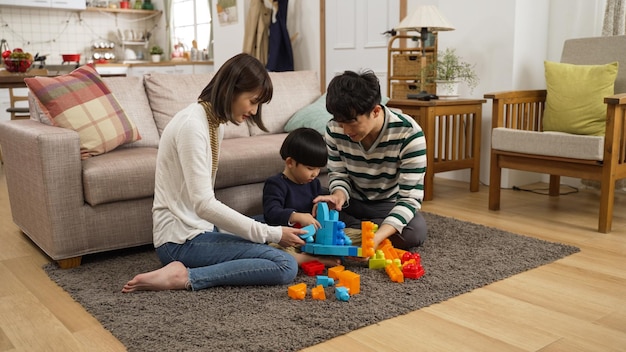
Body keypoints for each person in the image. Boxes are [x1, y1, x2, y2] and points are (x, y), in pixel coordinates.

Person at [122, 53, 307, 293]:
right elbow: (204, 205)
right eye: (252, 101)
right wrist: (272, 235)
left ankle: (278, 240)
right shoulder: (192, 126)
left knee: (273, 222)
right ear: (231, 89)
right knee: (285, 265)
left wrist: (288, 220)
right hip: (180, 242)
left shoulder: (213, 122)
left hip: (202, 229)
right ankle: (186, 276)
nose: (254, 110)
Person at [313, 69, 428, 252]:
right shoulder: (334, 129)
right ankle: (362, 229)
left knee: (415, 232)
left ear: (375, 111)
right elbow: (339, 174)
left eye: (351, 122)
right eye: (340, 122)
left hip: (386, 204)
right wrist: (338, 196)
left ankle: (357, 231)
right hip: (352, 201)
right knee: (311, 199)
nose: (344, 130)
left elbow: (409, 199)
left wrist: (376, 238)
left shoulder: (410, 135)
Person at [262, 127, 340, 267]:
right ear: (290, 162)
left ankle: (335, 253)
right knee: (274, 252)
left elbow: (320, 213)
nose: (315, 173)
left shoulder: (314, 184)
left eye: (318, 169)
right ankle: (311, 259)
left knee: (347, 236)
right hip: (287, 239)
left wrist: (325, 208)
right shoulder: (276, 184)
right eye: (310, 168)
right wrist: (296, 216)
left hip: (313, 237)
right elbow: (271, 213)